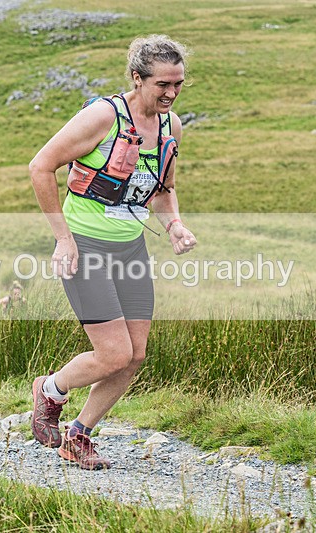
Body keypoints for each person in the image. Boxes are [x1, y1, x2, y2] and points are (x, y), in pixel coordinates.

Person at [28, 35, 197, 470]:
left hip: (131, 248)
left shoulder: (170, 126)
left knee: (135, 355)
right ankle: (50, 390)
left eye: (179, 84)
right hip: (86, 246)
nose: (172, 93)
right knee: (113, 354)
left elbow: (162, 189)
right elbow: (40, 167)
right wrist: (63, 238)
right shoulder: (102, 116)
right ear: (137, 78)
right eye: (163, 84)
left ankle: (78, 436)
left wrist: (174, 224)